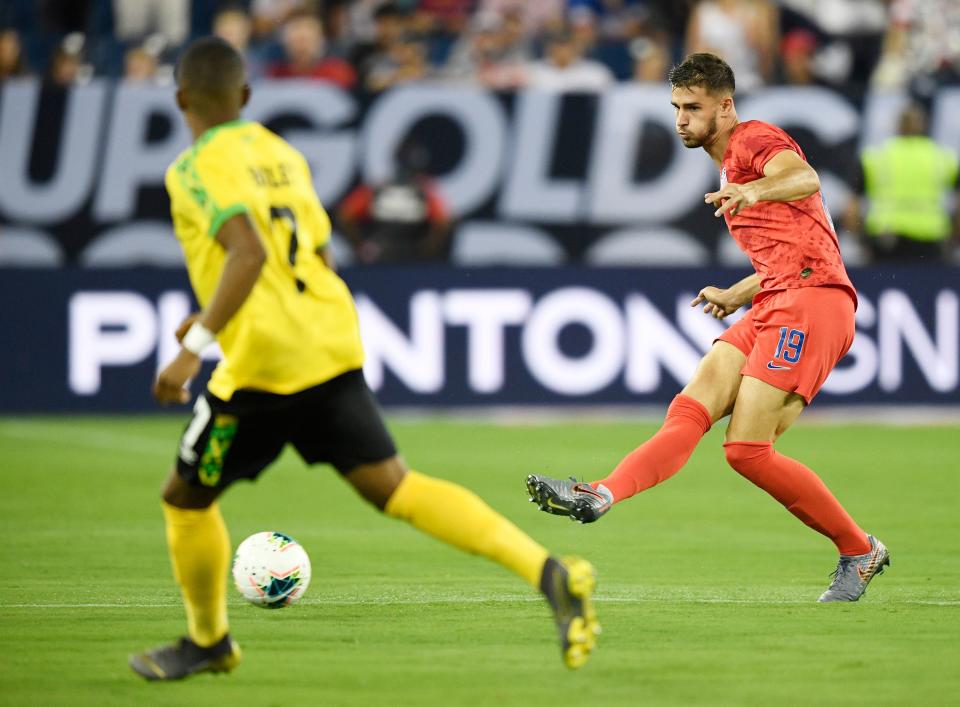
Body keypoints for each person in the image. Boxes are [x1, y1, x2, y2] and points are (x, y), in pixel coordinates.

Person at [128, 37, 599, 681]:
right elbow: (311, 255)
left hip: (261, 366)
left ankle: (209, 641)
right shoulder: (281, 152)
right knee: (396, 486)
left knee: (185, 496)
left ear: (181, 99)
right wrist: (218, 312)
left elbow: (248, 254)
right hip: (328, 339)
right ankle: (548, 572)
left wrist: (191, 349)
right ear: (245, 96)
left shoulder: (191, 168)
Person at [526, 53, 889, 604]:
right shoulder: (726, 163)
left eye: (693, 108)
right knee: (690, 408)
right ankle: (601, 493)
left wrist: (754, 191)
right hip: (775, 298)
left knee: (746, 451)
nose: (681, 121)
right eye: (676, 107)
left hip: (812, 306)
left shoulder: (753, 140)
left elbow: (804, 177)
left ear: (726, 105)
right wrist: (735, 292)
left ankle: (859, 549)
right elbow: (794, 250)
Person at [844, 103, 959, 263]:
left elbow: (851, 209)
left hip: (887, 241)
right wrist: (954, 240)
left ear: (897, 126)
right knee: (925, 287)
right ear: (923, 126)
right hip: (930, 242)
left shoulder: (876, 157)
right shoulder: (942, 157)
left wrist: (861, 241)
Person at [337, 139, 451, 263]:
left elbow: (345, 215)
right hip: (412, 257)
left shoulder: (377, 189)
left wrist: (360, 245)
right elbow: (444, 221)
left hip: (378, 254)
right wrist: (427, 250)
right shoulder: (425, 191)